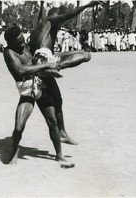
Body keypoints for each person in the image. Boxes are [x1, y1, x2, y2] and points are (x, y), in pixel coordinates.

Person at [28, 0, 104, 144]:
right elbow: (68, 15)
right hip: (43, 63)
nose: (61, 23)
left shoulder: (42, 28)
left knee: (58, 99)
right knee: (86, 56)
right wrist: (87, 6)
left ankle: (62, 132)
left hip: (41, 61)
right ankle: (54, 68)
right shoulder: (50, 20)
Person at [3, 26, 71, 165]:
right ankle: (14, 152)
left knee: (52, 121)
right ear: (11, 43)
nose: (23, 43)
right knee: (18, 127)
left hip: (39, 83)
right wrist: (45, 66)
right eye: (19, 42)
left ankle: (59, 154)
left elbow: (37, 54)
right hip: (27, 89)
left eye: (23, 40)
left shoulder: (25, 46)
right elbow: (21, 70)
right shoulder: (9, 52)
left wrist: (46, 58)